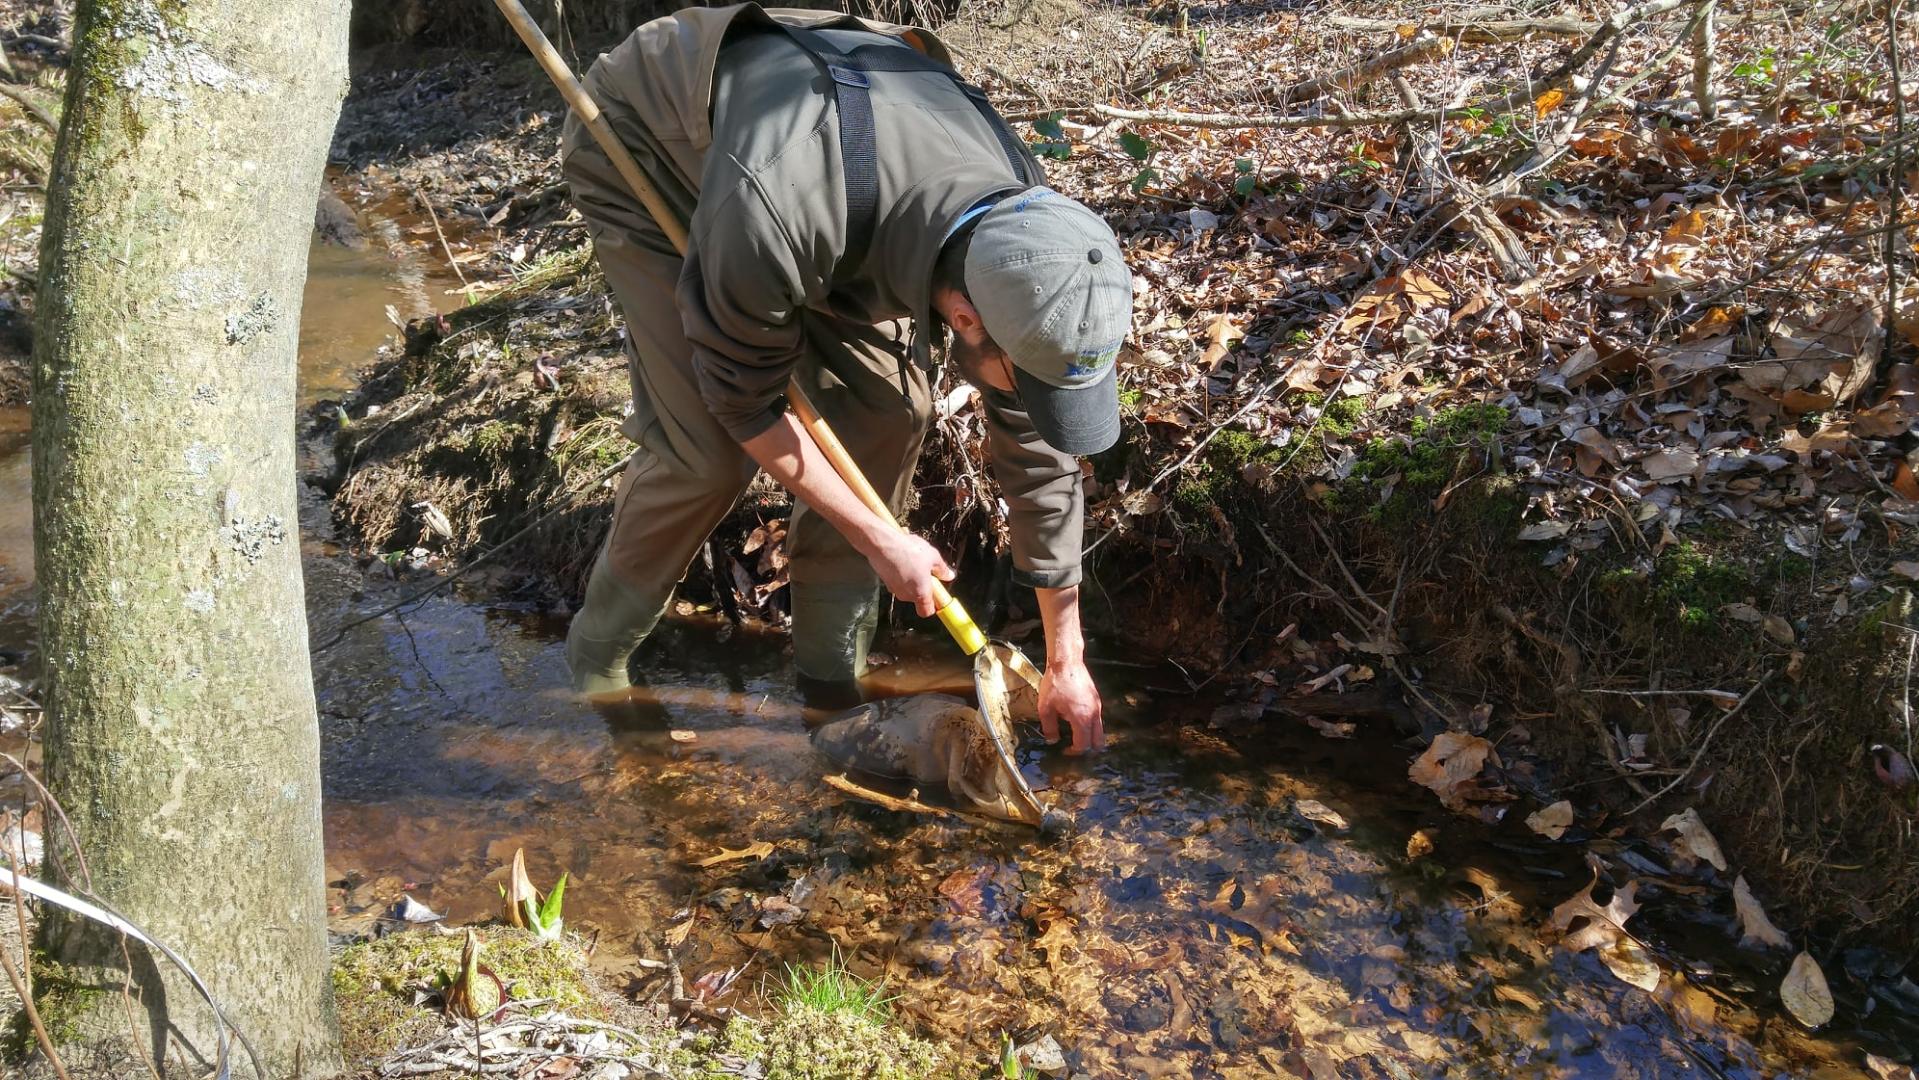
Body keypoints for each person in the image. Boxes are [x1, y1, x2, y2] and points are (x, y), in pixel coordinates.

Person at [558, 4, 1128, 754]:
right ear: (962, 315)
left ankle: (830, 687)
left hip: (846, 190)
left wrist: (1066, 658)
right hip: (650, 146)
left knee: (890, 412)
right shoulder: (776, 208)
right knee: (706, 455)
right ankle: (596, 664)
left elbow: (1035, 445)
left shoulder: (1031, 239)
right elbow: (743, 398)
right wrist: (875, 535)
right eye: (1023, 382)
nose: (1024, 398)